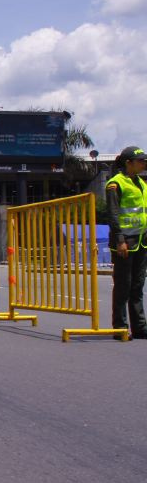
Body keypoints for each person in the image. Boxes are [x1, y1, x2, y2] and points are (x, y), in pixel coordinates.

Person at [106, 145, 147, 340]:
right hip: (125, 242)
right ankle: (120, 327)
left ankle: (140, 328)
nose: (144, 164)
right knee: (123, 285)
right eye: (141, 161)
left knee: (137, 286)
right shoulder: (115, 184)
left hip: (141, 241)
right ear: (128, 163)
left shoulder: (141, 183)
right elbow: (113, 215)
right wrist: (120, 240)